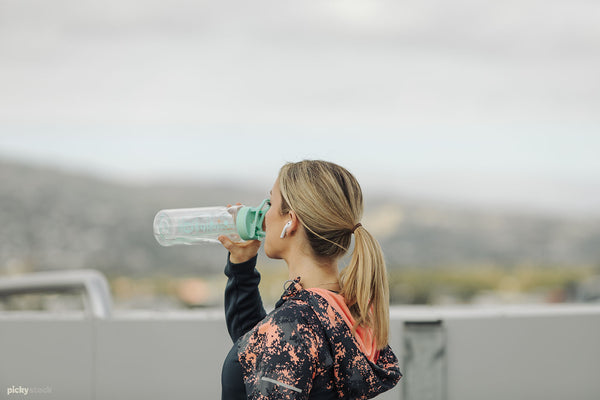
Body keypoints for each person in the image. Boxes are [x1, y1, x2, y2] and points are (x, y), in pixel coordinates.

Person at [218, 160, 401, 399]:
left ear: (290, 221)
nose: (263, 214)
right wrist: (241, 267)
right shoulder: (347, 309)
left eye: (271, 203)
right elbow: (255, 348)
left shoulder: (292, 326)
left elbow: (277, 344)